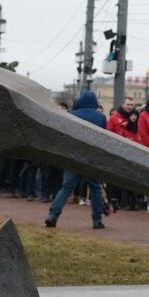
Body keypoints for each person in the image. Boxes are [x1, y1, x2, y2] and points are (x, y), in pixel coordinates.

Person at [46, 90, 109, 229]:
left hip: (73, 156)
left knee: (66, 187)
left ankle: (53, 215)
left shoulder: (72, 115)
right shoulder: (101, 118)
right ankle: (97, 220)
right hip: (92, 158)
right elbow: (104, 139)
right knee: (95, 188)